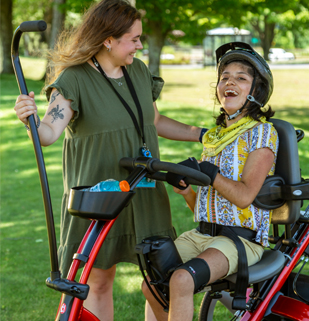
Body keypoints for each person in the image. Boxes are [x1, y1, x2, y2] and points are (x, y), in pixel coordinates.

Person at [13, 1, 206, 320]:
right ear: (108, 39)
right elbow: (48, 132)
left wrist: (202, 133)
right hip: (101, 198)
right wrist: (30, 119)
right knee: (99, 282)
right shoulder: (74, 78)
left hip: (144, 192)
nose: (140, 45)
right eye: (133, 39)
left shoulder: (139, 71)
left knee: (160, 279)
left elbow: (153, 121)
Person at [143, 42, 279, 321]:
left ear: (256, 92)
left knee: (180, 280)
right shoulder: (214, 137)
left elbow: (243, 197)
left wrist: (210, 173)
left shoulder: (263, 134)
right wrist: (187, 190)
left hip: (240, 240)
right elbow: (155, 121)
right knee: (152, 283)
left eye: (241, 78)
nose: (230, 81)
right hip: (203, 235)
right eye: (224, 77)